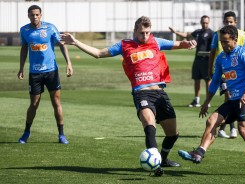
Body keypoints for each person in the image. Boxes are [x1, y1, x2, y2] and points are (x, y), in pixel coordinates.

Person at [61, 16, 197, 176]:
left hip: (160, 93)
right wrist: (75, 41)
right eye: (141, 33)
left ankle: (163, 158)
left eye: (147, 32)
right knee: (149, 125)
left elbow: (179, 44)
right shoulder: (125, 45)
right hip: (142, 93)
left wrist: (188, 43)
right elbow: (98, 53)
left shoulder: (156, 42)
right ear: (134, 31)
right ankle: (156, 166)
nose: (145, 36)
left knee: (173, 134)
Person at [178, 25, 245, 177]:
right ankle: (199, 153)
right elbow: (214, 81)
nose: (224, 45)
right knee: (212, 120)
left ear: (234, 39)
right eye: (221, 42)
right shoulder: (221, 58)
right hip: (234, 99)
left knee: (244, 130)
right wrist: (206, 102)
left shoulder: (244, 53)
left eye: (226, 42)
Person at [17, 5, 73, 144]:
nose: (34, 17)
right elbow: (24, 49)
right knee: (34, 104)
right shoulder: (24, 30)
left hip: (51, 71)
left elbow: (61, 44)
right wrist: (21, 68)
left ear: (41, 15)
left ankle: (61, 135)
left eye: (37, 14)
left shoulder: (50, 28)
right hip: (35, 73)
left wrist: (69, 63)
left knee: (56, 102)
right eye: (32, 15)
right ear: (28, 15)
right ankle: (26, 132)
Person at [209, 11, 245, 139]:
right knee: (229, 95)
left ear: (235, 22)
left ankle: (223, 127)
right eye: (226, 22)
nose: (228, 23)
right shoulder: (217, 34)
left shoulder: (242, 34)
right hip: (223, 72)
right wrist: (210, 69)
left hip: (237, 75)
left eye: (231, 22)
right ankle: (231, 128)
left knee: (233, 98)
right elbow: (212, 51)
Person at [169, 15, 213, 108]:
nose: (205, 24)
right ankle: (196, 100)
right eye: (203, 22)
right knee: (196, 79)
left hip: (207, 61)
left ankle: (208, 100)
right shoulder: (198, 32)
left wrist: (210, 54)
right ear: (201, 22)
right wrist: (175, 32)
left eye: (206, 22)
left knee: (207, 80)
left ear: (208, 23)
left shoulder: (211, 33)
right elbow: (187, 35)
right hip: (197, 59)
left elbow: (214, 48)